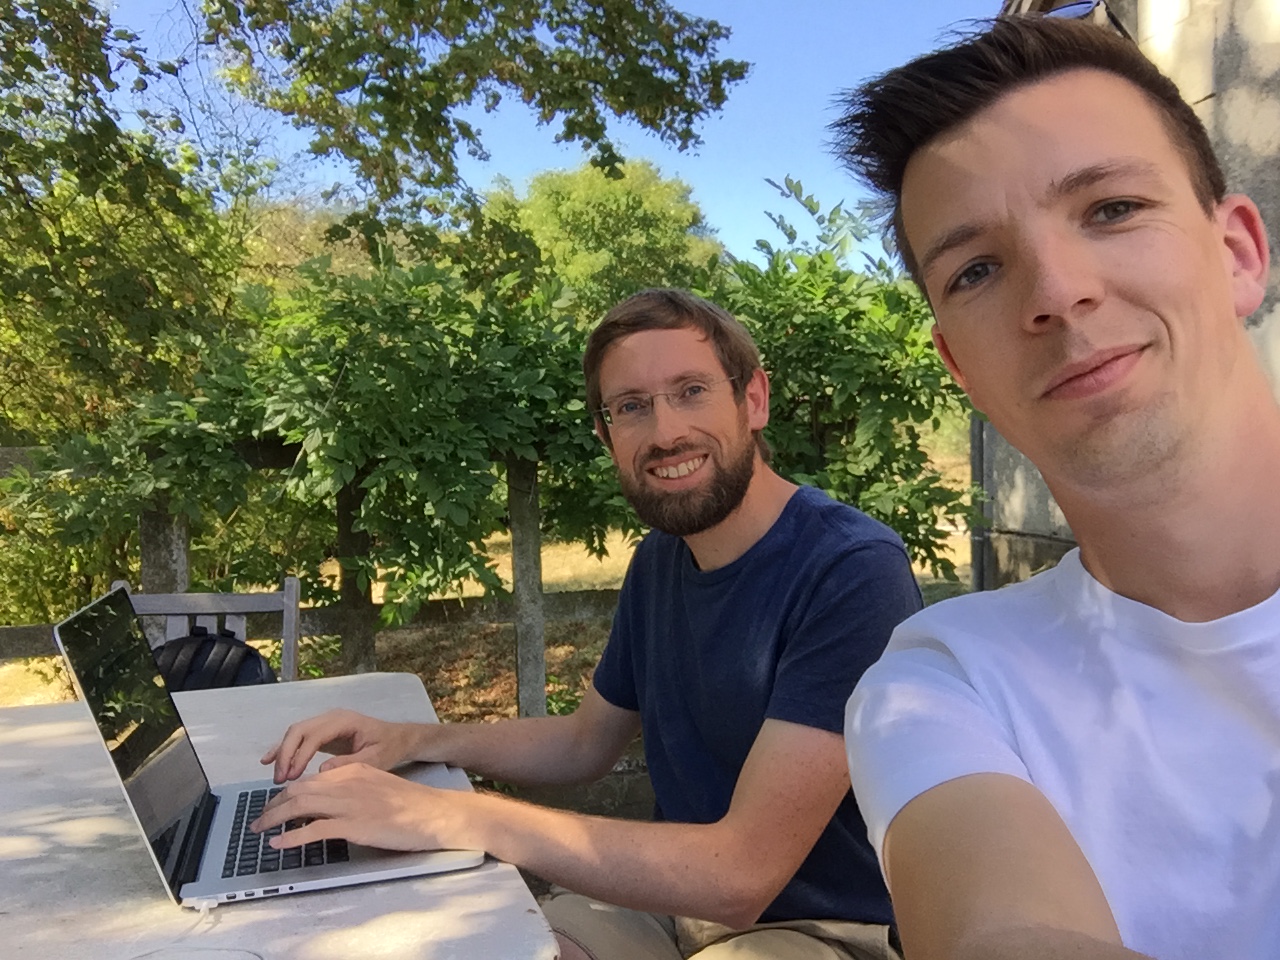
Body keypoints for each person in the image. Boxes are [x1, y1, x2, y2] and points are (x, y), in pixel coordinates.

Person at [251, 289, 922, 960]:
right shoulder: (663, 558)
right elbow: (583, 743)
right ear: (606, 435)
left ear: (753, 400)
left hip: (822, 931)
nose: (664, 433)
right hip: (673, 905)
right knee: (498, 947)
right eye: (631, 407)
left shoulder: (850, 570)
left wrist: (449, 815)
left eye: (690, 391)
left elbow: (740, 875)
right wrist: (416, 739)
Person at [832, 14, 1280, 960]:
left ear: (1239, 251)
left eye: (1111, 209)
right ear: (960, 367)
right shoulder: (943, 682)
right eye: (978, 268)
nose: (1056, 289)